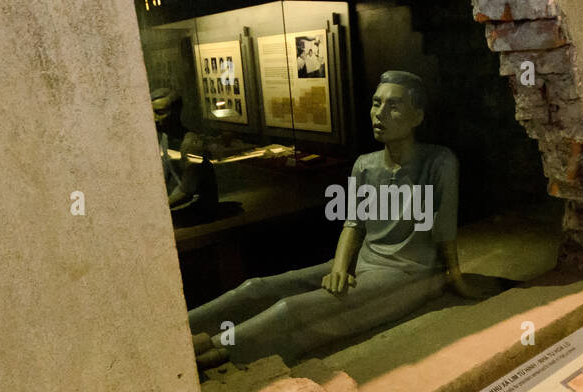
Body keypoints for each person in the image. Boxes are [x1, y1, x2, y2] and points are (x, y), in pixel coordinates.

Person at [189, 70, 482, 368]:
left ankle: (211, 350)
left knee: (291, 309)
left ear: (417, 117)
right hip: (364, 263)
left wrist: (455, 278)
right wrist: (340, 267)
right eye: (376, 103)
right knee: (255, 288)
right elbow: (353, 224)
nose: (379, 114)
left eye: (393, 106)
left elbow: (445, 228)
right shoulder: (365, 166)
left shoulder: (439, 162)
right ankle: (181, 332)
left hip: (410, 273)